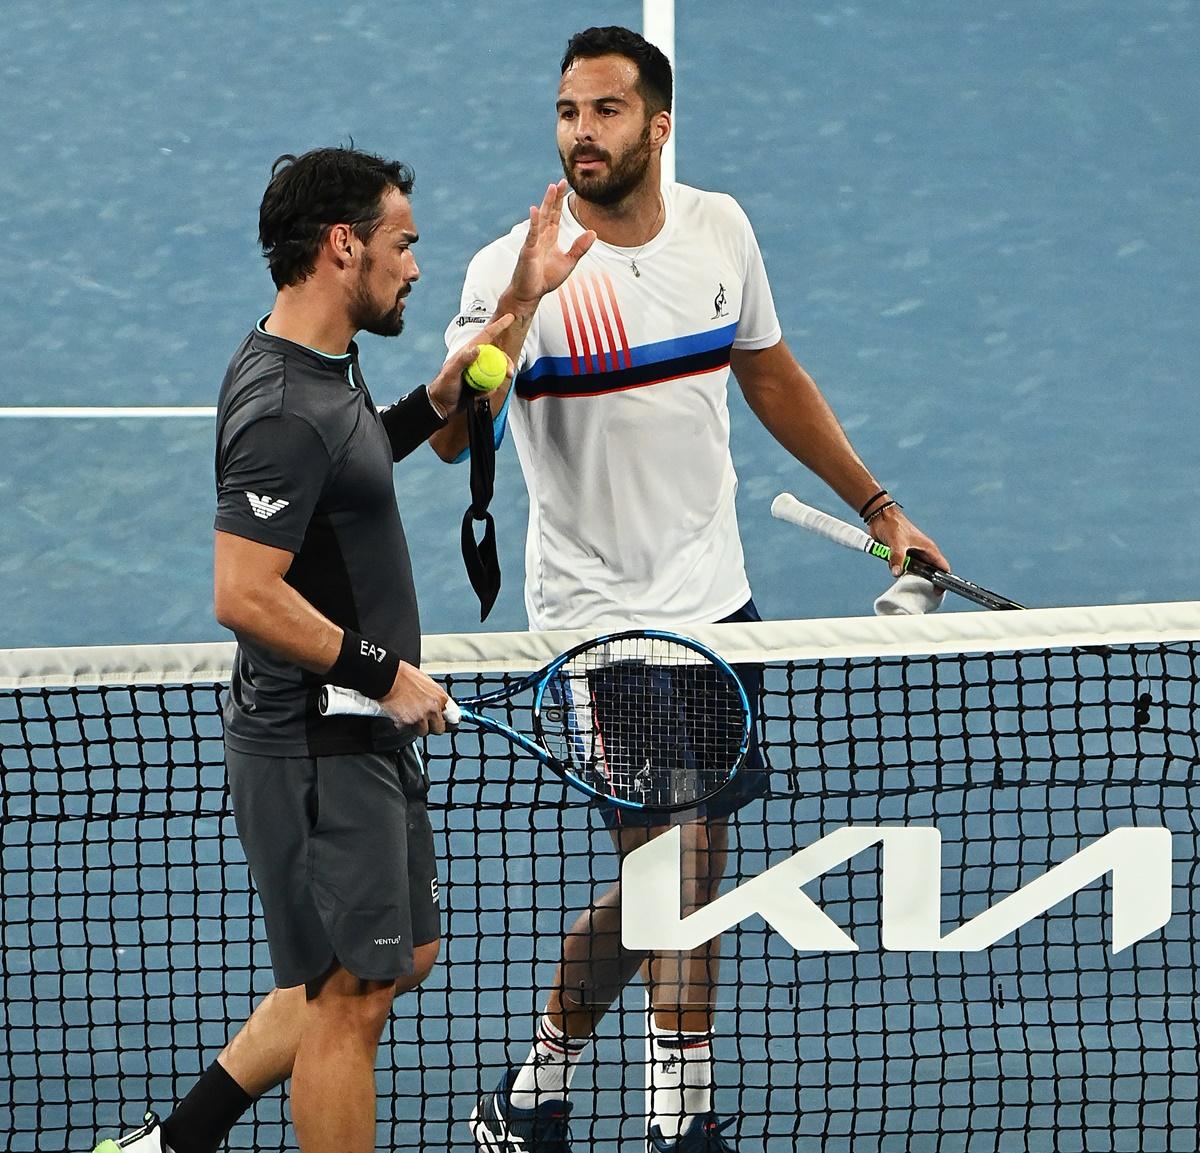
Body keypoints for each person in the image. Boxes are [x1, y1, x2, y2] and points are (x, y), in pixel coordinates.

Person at [433, 26, 950, 1153]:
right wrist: (518, 308)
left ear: (657, 127)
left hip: (717, 607)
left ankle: (530, 1091)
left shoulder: (721, 230)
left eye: (607, 112)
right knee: (683, 865)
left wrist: (877, 508)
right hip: (601, 629)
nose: (583, 133)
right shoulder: (505, 269)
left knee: (679, 867)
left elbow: (768, 371)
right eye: (569, 111)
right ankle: (683, 1120)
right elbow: (447, 435)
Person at [93, 146, 591, 1153]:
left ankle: (173, 1143)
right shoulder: (282, 409)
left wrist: (513, 311)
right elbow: (243, 592)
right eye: (404, 244)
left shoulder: (324, 366)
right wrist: (383, 673)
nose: (415, 267)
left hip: (357, 731)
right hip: (317, 742)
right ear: (343, 245)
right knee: (346, 1000)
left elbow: (358, 455)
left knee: (398, 958)